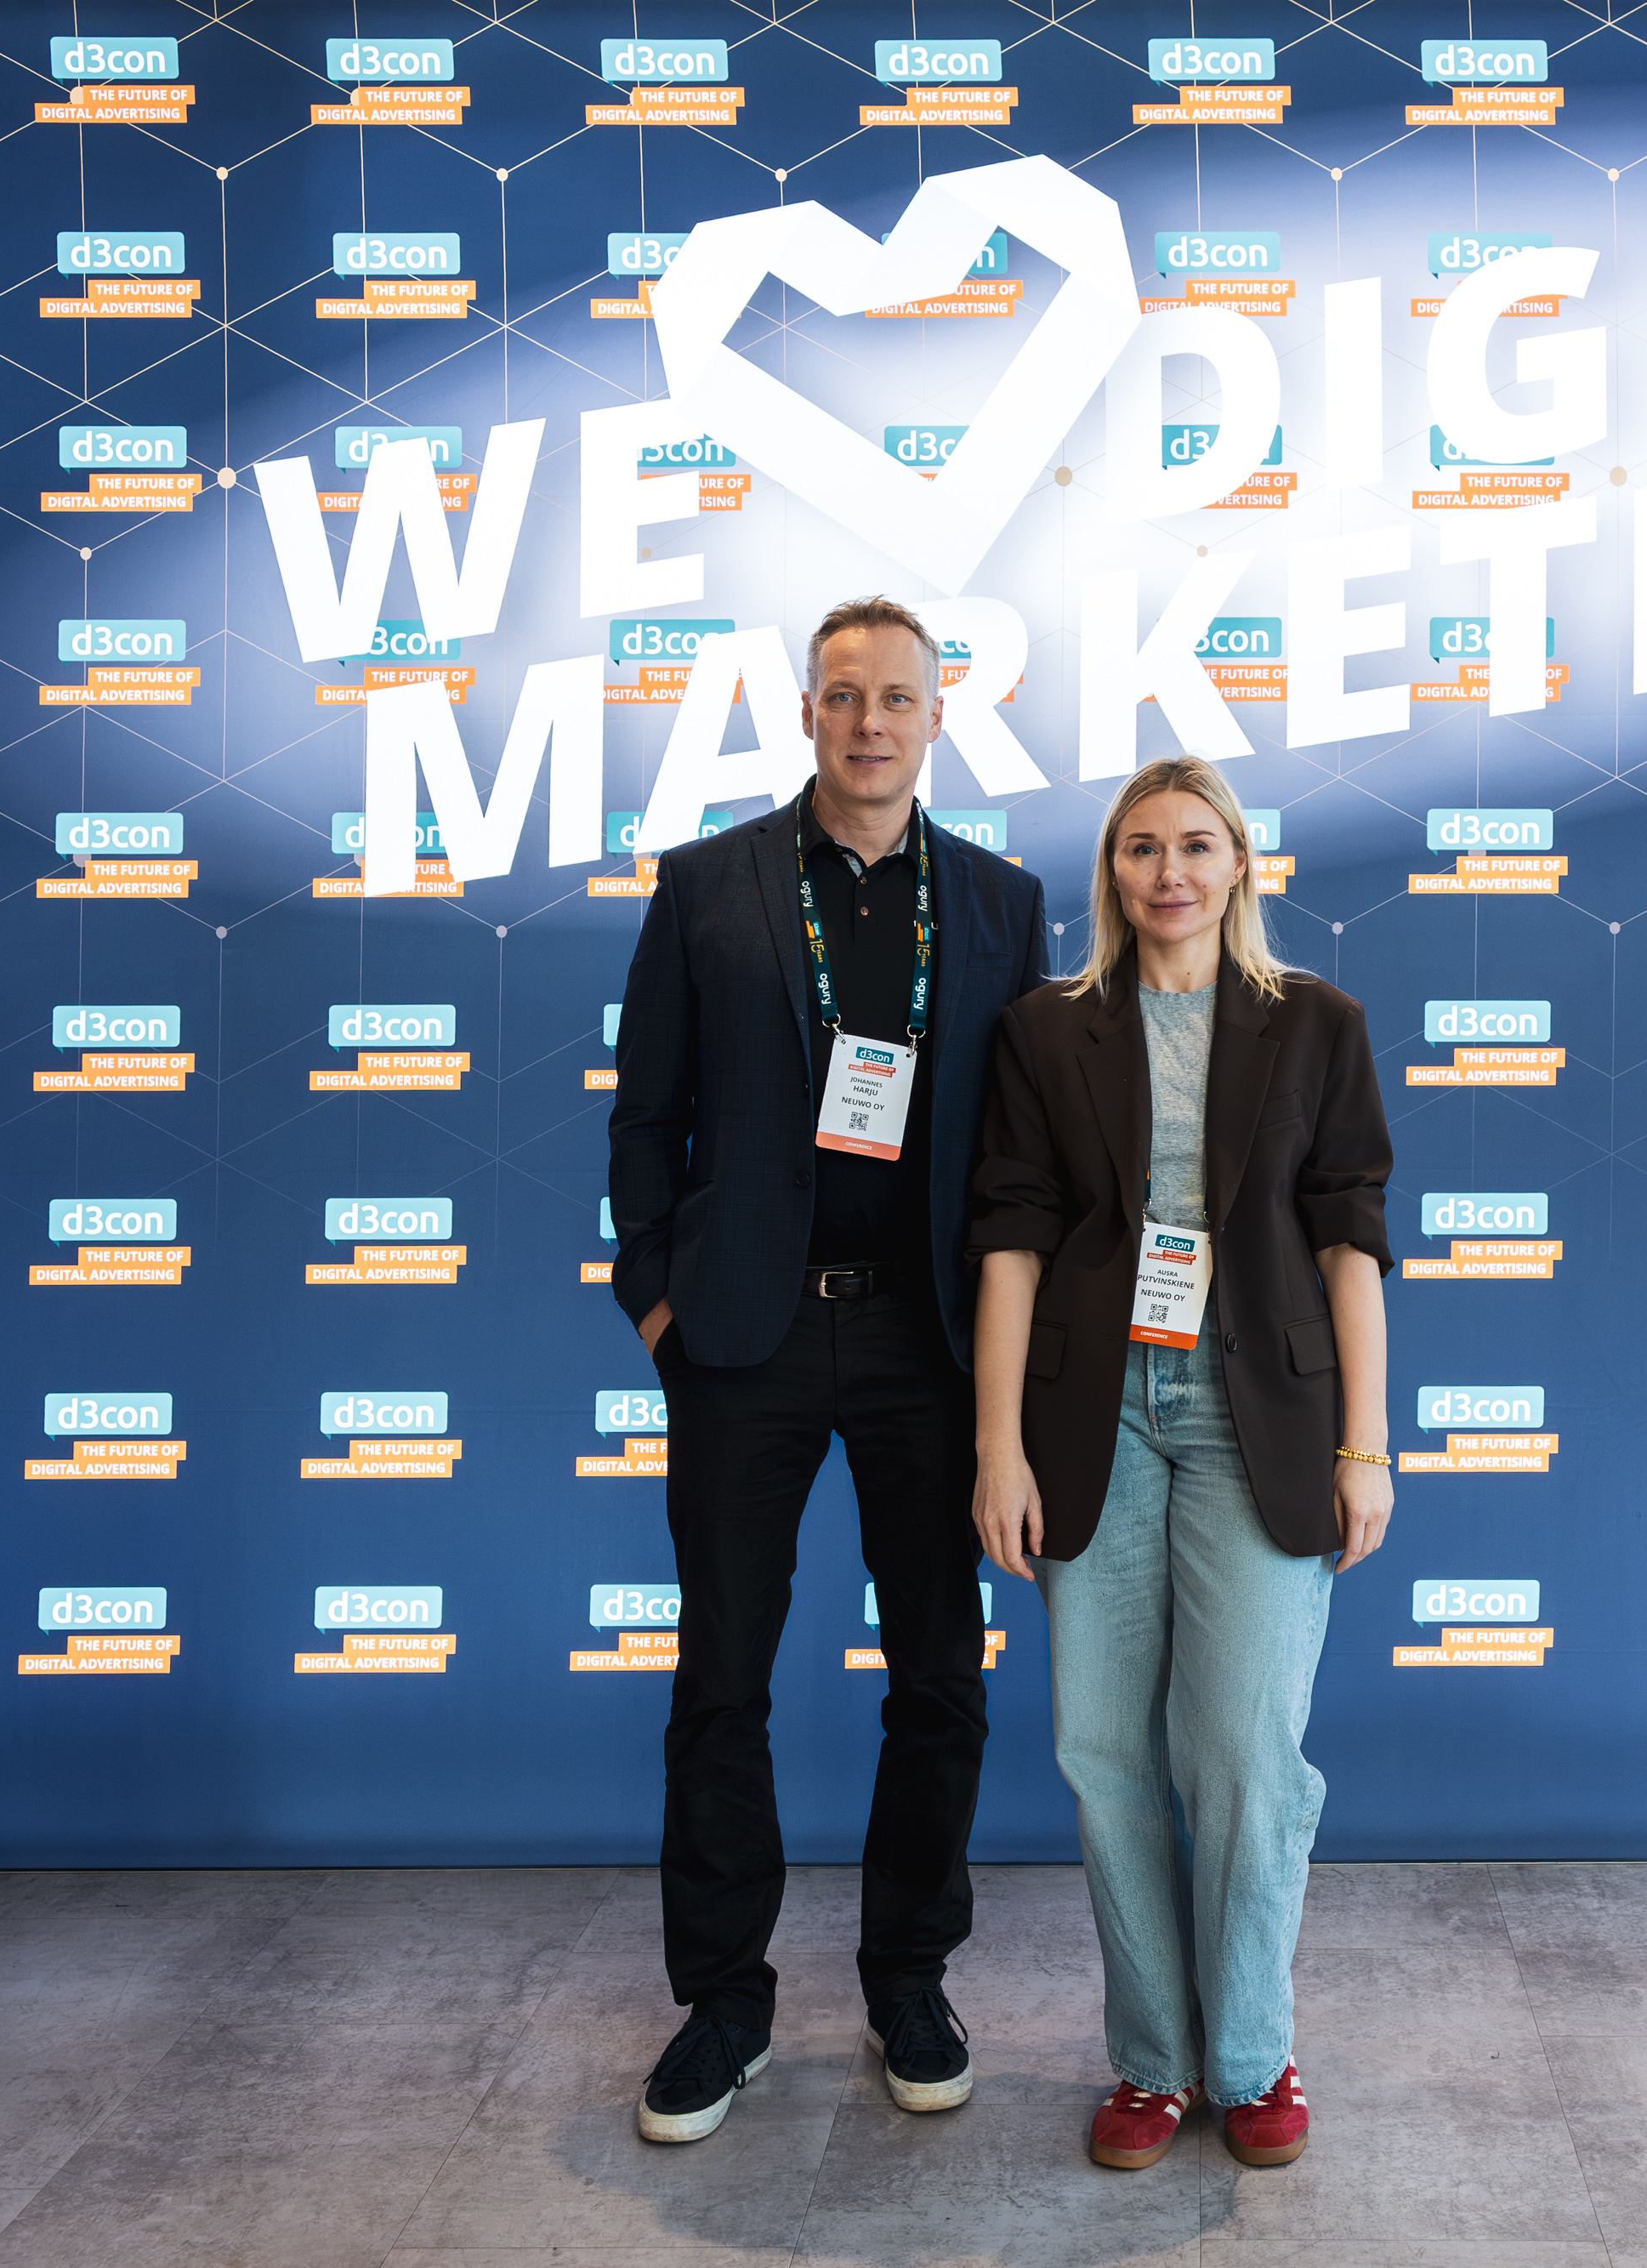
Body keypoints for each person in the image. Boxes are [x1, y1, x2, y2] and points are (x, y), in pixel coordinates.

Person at [606, 595, 1048, 2144]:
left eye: (898, 698)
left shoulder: (1000, 903)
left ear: (937, 718)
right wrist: (657, 1301)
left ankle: (909, 1981)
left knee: (939, 1678)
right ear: (805, 713)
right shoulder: (707, 884)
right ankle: (724, 2006)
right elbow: (643, 1114)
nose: (870, 722)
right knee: (721, 1678)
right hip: (747, 1335)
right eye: (844, 696)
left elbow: (1021, 1147)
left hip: (929, 1341)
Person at [966, 754, 1394, 2172]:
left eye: (1197, 845)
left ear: (1239, 865)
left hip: (1252, 1418)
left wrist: (1368, 1444)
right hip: (1092, 1420)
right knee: (1103, 1753)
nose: (1170, 872)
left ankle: (1254, 2055)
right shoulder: (1046, 1031)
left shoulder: (1316, 1024)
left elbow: (1351, 1246)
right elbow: (1011, 1242)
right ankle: (1154, 2062)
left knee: (1244, 1755)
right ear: (1112, 871)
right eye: (1142, 847)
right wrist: (997, 1447)